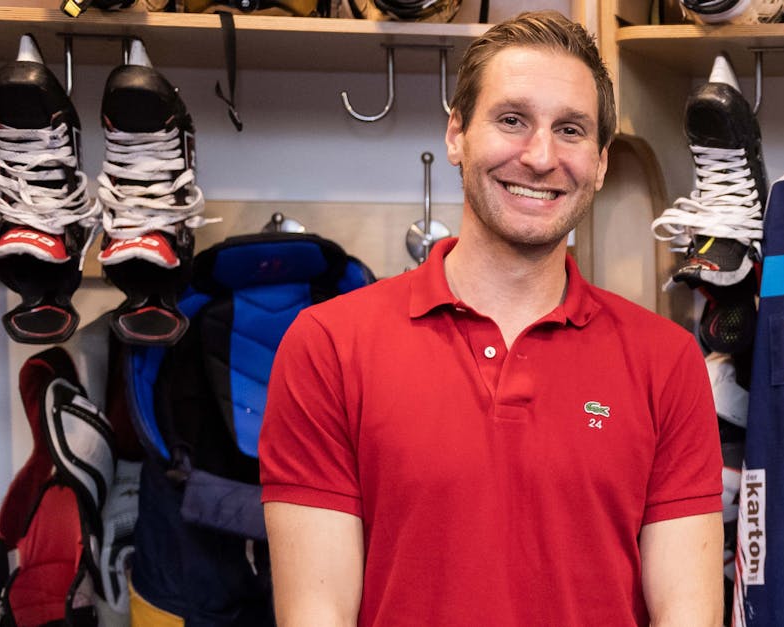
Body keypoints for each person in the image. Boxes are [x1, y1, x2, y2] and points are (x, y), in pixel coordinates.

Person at [258, 12, 722, 627]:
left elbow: (687, 614)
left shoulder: (666, 361)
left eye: (572, 130)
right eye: (512, 120)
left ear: (602, 162)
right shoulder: (328, 346)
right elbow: (316, 613)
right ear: (456, 134)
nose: (540, 156)